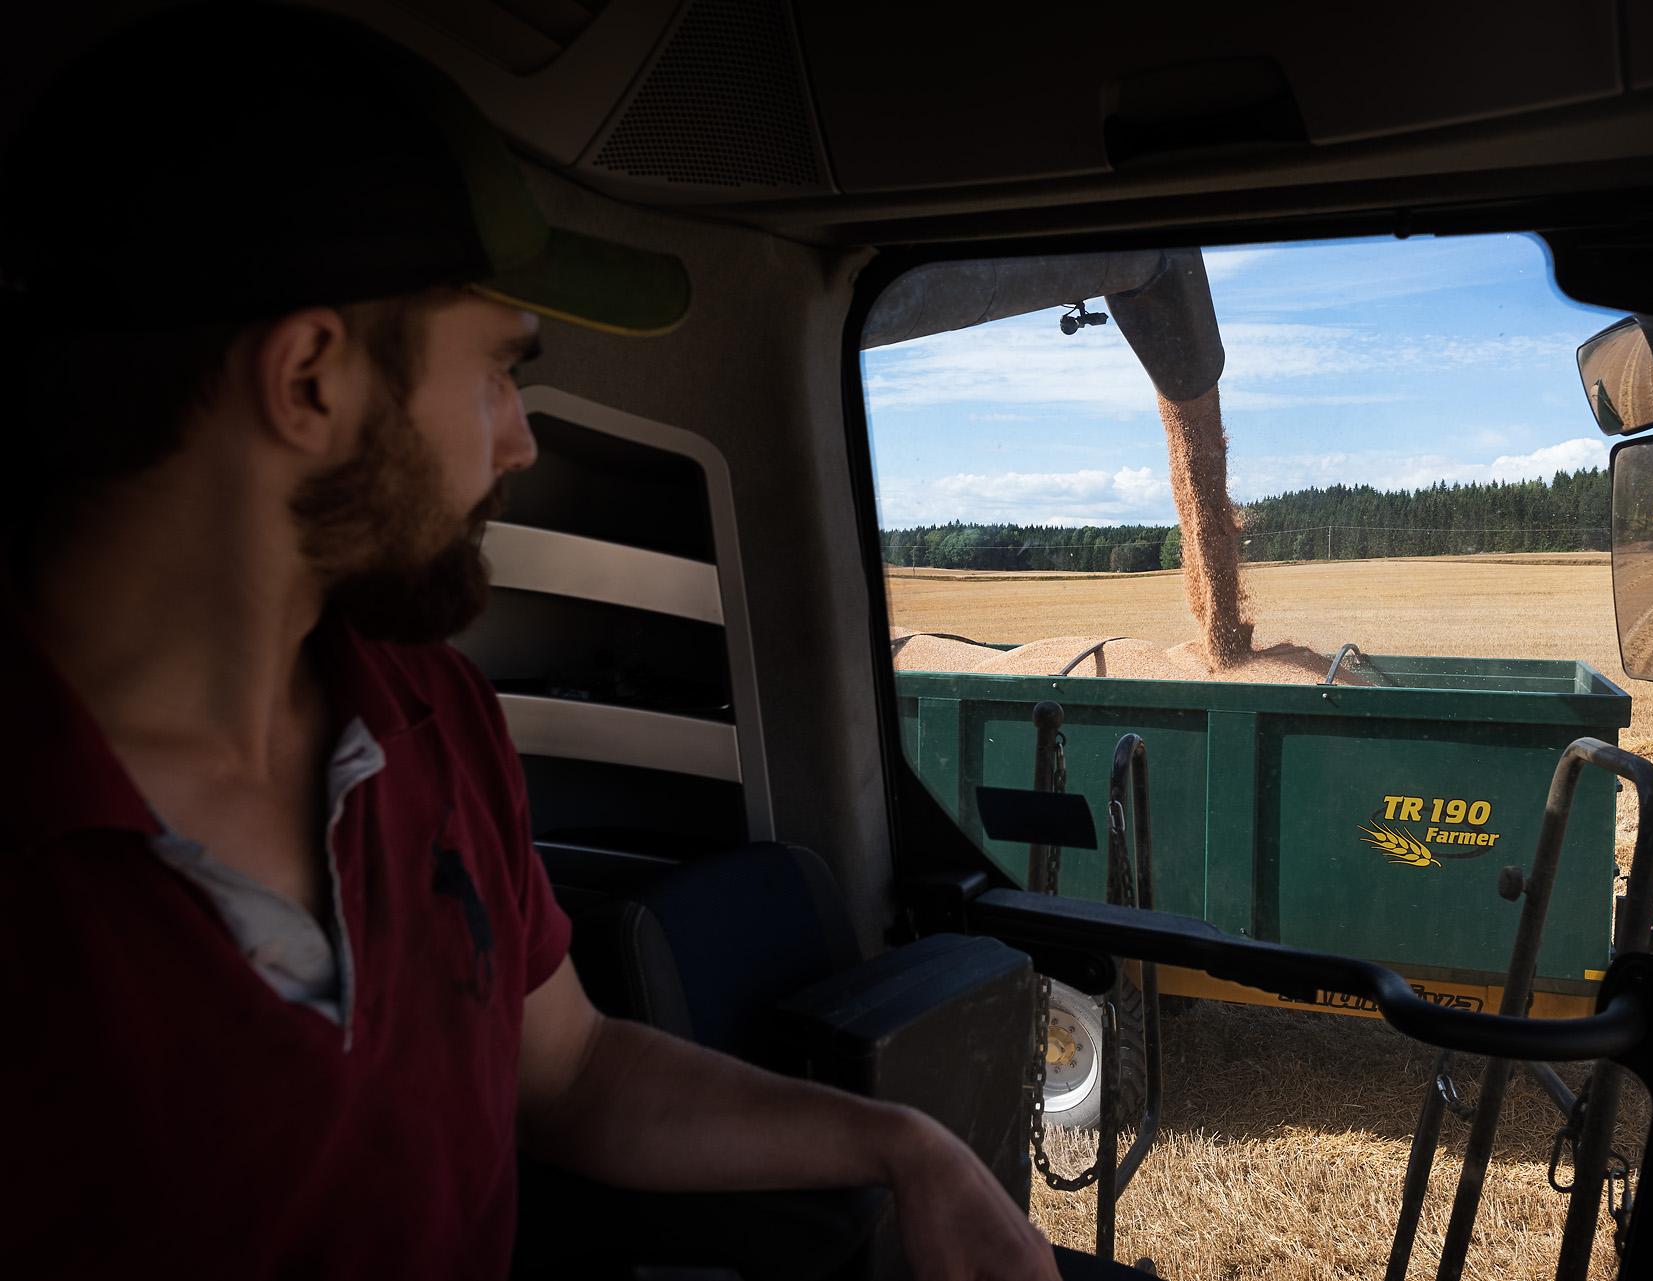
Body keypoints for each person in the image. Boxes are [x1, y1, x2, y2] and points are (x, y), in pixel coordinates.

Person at [0, 6, 1067, 1279]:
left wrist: (907, 1146)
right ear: (309, 383)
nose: (520, 440)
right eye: (499, 372)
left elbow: (570, 1068)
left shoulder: (434, 717)